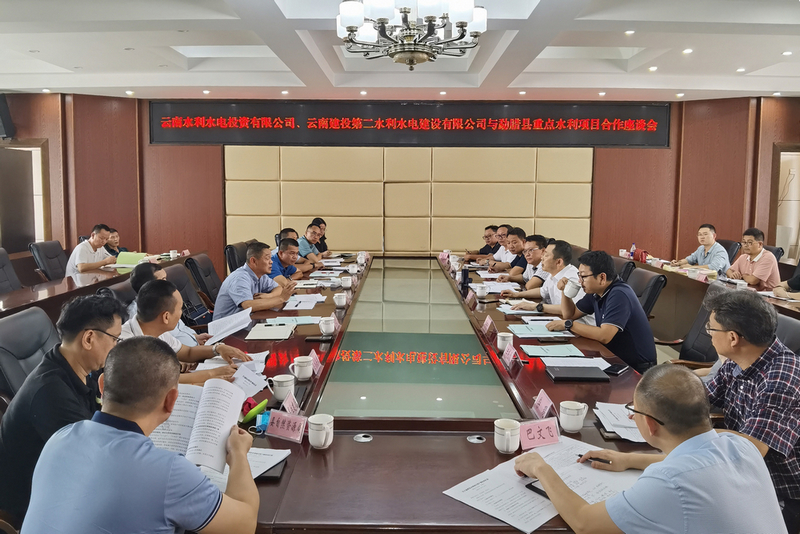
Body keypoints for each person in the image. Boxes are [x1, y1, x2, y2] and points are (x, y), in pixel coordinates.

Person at [21, 337, 259, 533]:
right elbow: (245, 524)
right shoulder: (169, 472)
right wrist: (238, 453)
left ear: (102, 386)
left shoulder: (59, 438)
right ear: (171, 400)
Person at [514, 365, 787, 534]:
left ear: (650, 425)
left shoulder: (669, 482)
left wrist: (541, 468)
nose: (632, 416)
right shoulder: (742, 445)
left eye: (634, 411)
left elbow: (584, 522)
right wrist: (631, 459)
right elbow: (699, 458)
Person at [0, 295, 127, 520]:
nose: (116, 347)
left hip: (64, 478)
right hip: (33, 504)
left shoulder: (80, 368)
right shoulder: (50, 392)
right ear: (89, 338)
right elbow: (94, 462)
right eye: (115, 339)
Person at [704, 289, 800, 532]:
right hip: (745, 476)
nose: (709, 334)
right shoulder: (739, 361)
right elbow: (701, 399)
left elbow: (750, 450)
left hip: (781, 495)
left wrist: (699, 438)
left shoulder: (781, 379)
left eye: (711, 328)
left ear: (733, 338)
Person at [547, 250, 656, 372]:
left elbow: (604, 336)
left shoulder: (619, 294)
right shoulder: (596, 292)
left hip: (636, 368)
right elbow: (570, 314)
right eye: (579, 276)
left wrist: (569, 325)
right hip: (612, 356)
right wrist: (565, 292)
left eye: (583, 276)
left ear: (602, 277)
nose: (579, 281)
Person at [120, 279, 247, 384]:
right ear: (166, 317)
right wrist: (212, 374)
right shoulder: (127, 344)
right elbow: (159, 382)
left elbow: (188, 352)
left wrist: (217, 348)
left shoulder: (156, 329)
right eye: (180, 308)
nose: (181, 313)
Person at [510, 240, 594, 324]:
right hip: (561, 320)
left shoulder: (573, 278)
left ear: (558, 262)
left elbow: (571, 310)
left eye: (546, 255)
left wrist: (536, 306)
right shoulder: (553, 273)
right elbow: (542, 291)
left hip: (579, 325)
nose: (542, 258)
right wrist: (516, 294)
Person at [128, 263, 211, 347]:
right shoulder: (140, 314)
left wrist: (196, 337)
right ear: (149, 286)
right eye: (163, 279)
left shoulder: (166, 300)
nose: (168, 283)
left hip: (195, 347)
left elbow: (181, 328)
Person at [214, 241, 291, 319]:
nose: (271, 262)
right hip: (229, 324)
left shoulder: (260, 275)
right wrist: (281, 298)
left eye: (270, 258)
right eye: (267, 258)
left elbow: (278, 287)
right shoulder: (239, 278)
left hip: (247, 320)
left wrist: (269, 296)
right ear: (253, 261)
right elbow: (248, 306)